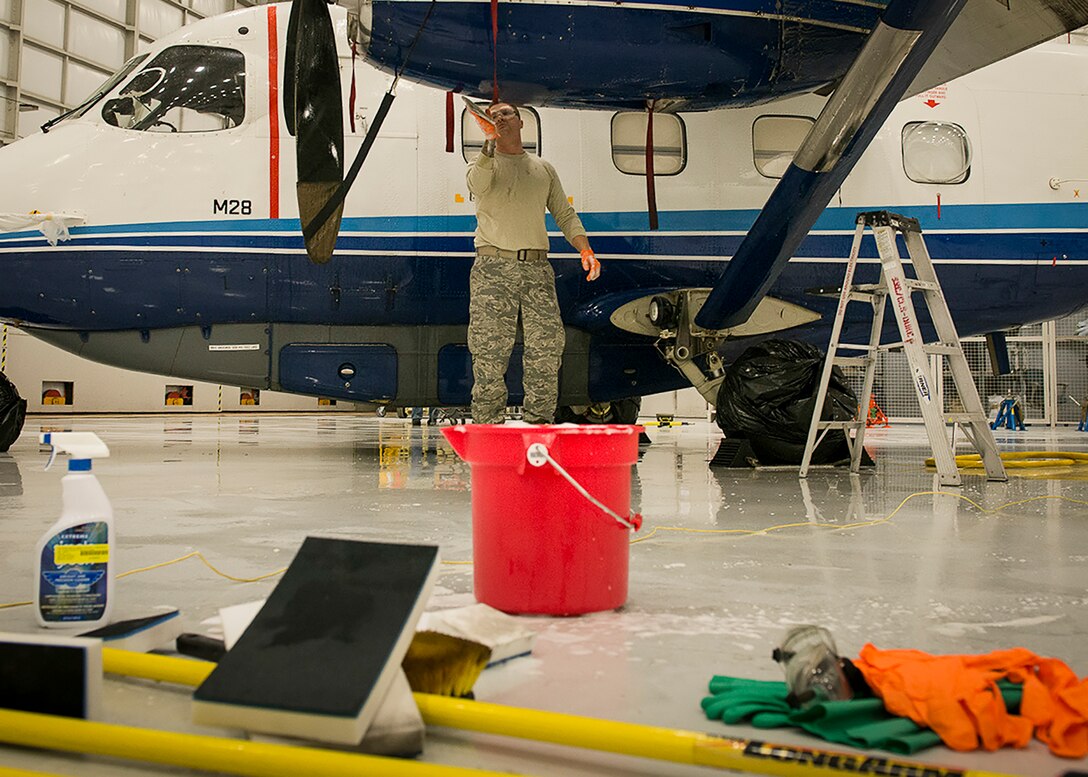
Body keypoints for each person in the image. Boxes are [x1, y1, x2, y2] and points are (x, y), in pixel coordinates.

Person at [465, 101, 600, 424]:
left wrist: (585, 249)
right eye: (493, 115)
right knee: (490, 351)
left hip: (537, 268)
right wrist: (487, 143)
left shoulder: (543, 169)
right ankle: (487, 425)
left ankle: (539, 423)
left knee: (546, 347)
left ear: (522, 121)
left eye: (506, 114)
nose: (500, 118)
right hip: (492, 269)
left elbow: (564, 214)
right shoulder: (483, 163)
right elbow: (476, 185)